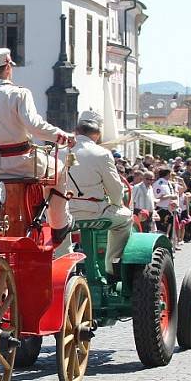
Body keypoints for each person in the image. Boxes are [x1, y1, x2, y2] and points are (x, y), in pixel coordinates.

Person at [0, 48, 73, 243]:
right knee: (58, 167)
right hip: (21, 164)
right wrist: (62, 136)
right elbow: (34, 125)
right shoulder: (19, 94)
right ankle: (59, 223)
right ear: (8, 67)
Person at [66, 111, 133, 277]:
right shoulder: (101, 153)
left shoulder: (58, 151)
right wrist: (117, 204)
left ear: (76, 131)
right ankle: (110, 266)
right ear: (96, 135)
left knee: (59, 229)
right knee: (126, 218)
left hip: (65, 213)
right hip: (93, 213)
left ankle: (66, 267)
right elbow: (115, 189)